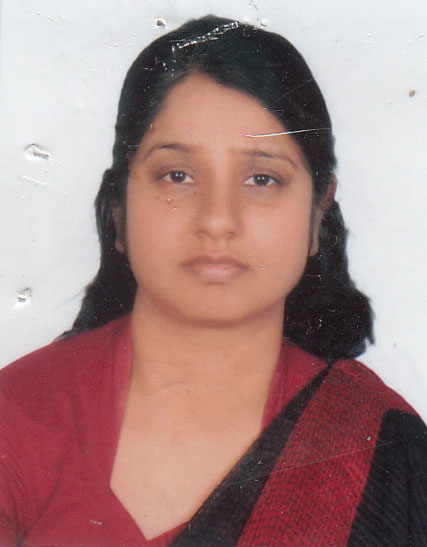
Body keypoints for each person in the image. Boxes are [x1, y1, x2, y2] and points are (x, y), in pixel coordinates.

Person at [1, 14, 426, 546]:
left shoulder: (383, 452)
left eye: (262, 178)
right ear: (119, 208)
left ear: (319, 212)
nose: (217, 219)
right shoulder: (17, 416)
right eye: (177, 176)